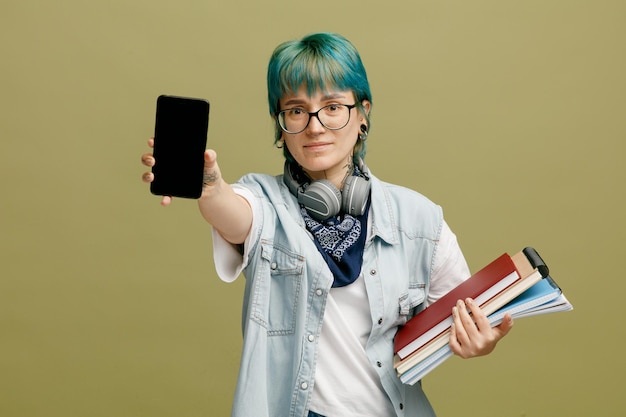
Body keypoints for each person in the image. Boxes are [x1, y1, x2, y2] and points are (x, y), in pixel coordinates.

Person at [141, 32, 513, 417]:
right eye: (297, 111)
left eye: (333, 107)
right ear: (280, 124)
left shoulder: (419, 221)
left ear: (362, 113)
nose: (314, 127)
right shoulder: (264, 201)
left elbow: (459, 319)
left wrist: (478, 341)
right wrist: (210, 186)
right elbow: (233, 214)